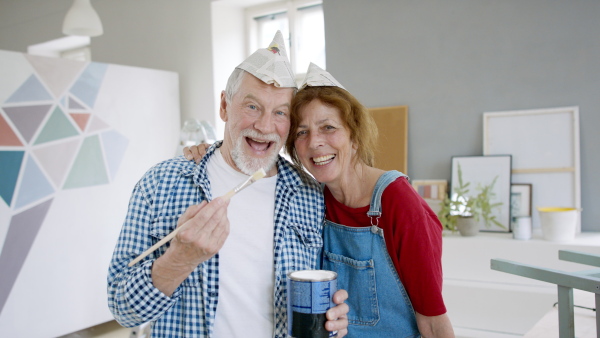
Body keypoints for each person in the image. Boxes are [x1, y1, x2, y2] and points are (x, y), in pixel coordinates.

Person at [107, 32, 349, 338]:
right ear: (224, 105)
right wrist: (179, 259)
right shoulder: (161, 183)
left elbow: (327, 296)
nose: (263, 126)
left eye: (280, 113)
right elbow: (123, 309)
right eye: (252, 107)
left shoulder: (311, 195)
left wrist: (335, 318)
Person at [185, 63, 455, 337]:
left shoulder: (396, 200)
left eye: (328, 127)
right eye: (302, 132)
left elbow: (433, 322)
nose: (315, 142)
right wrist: (216, 152)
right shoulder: (313, 199)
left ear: (354, 137)